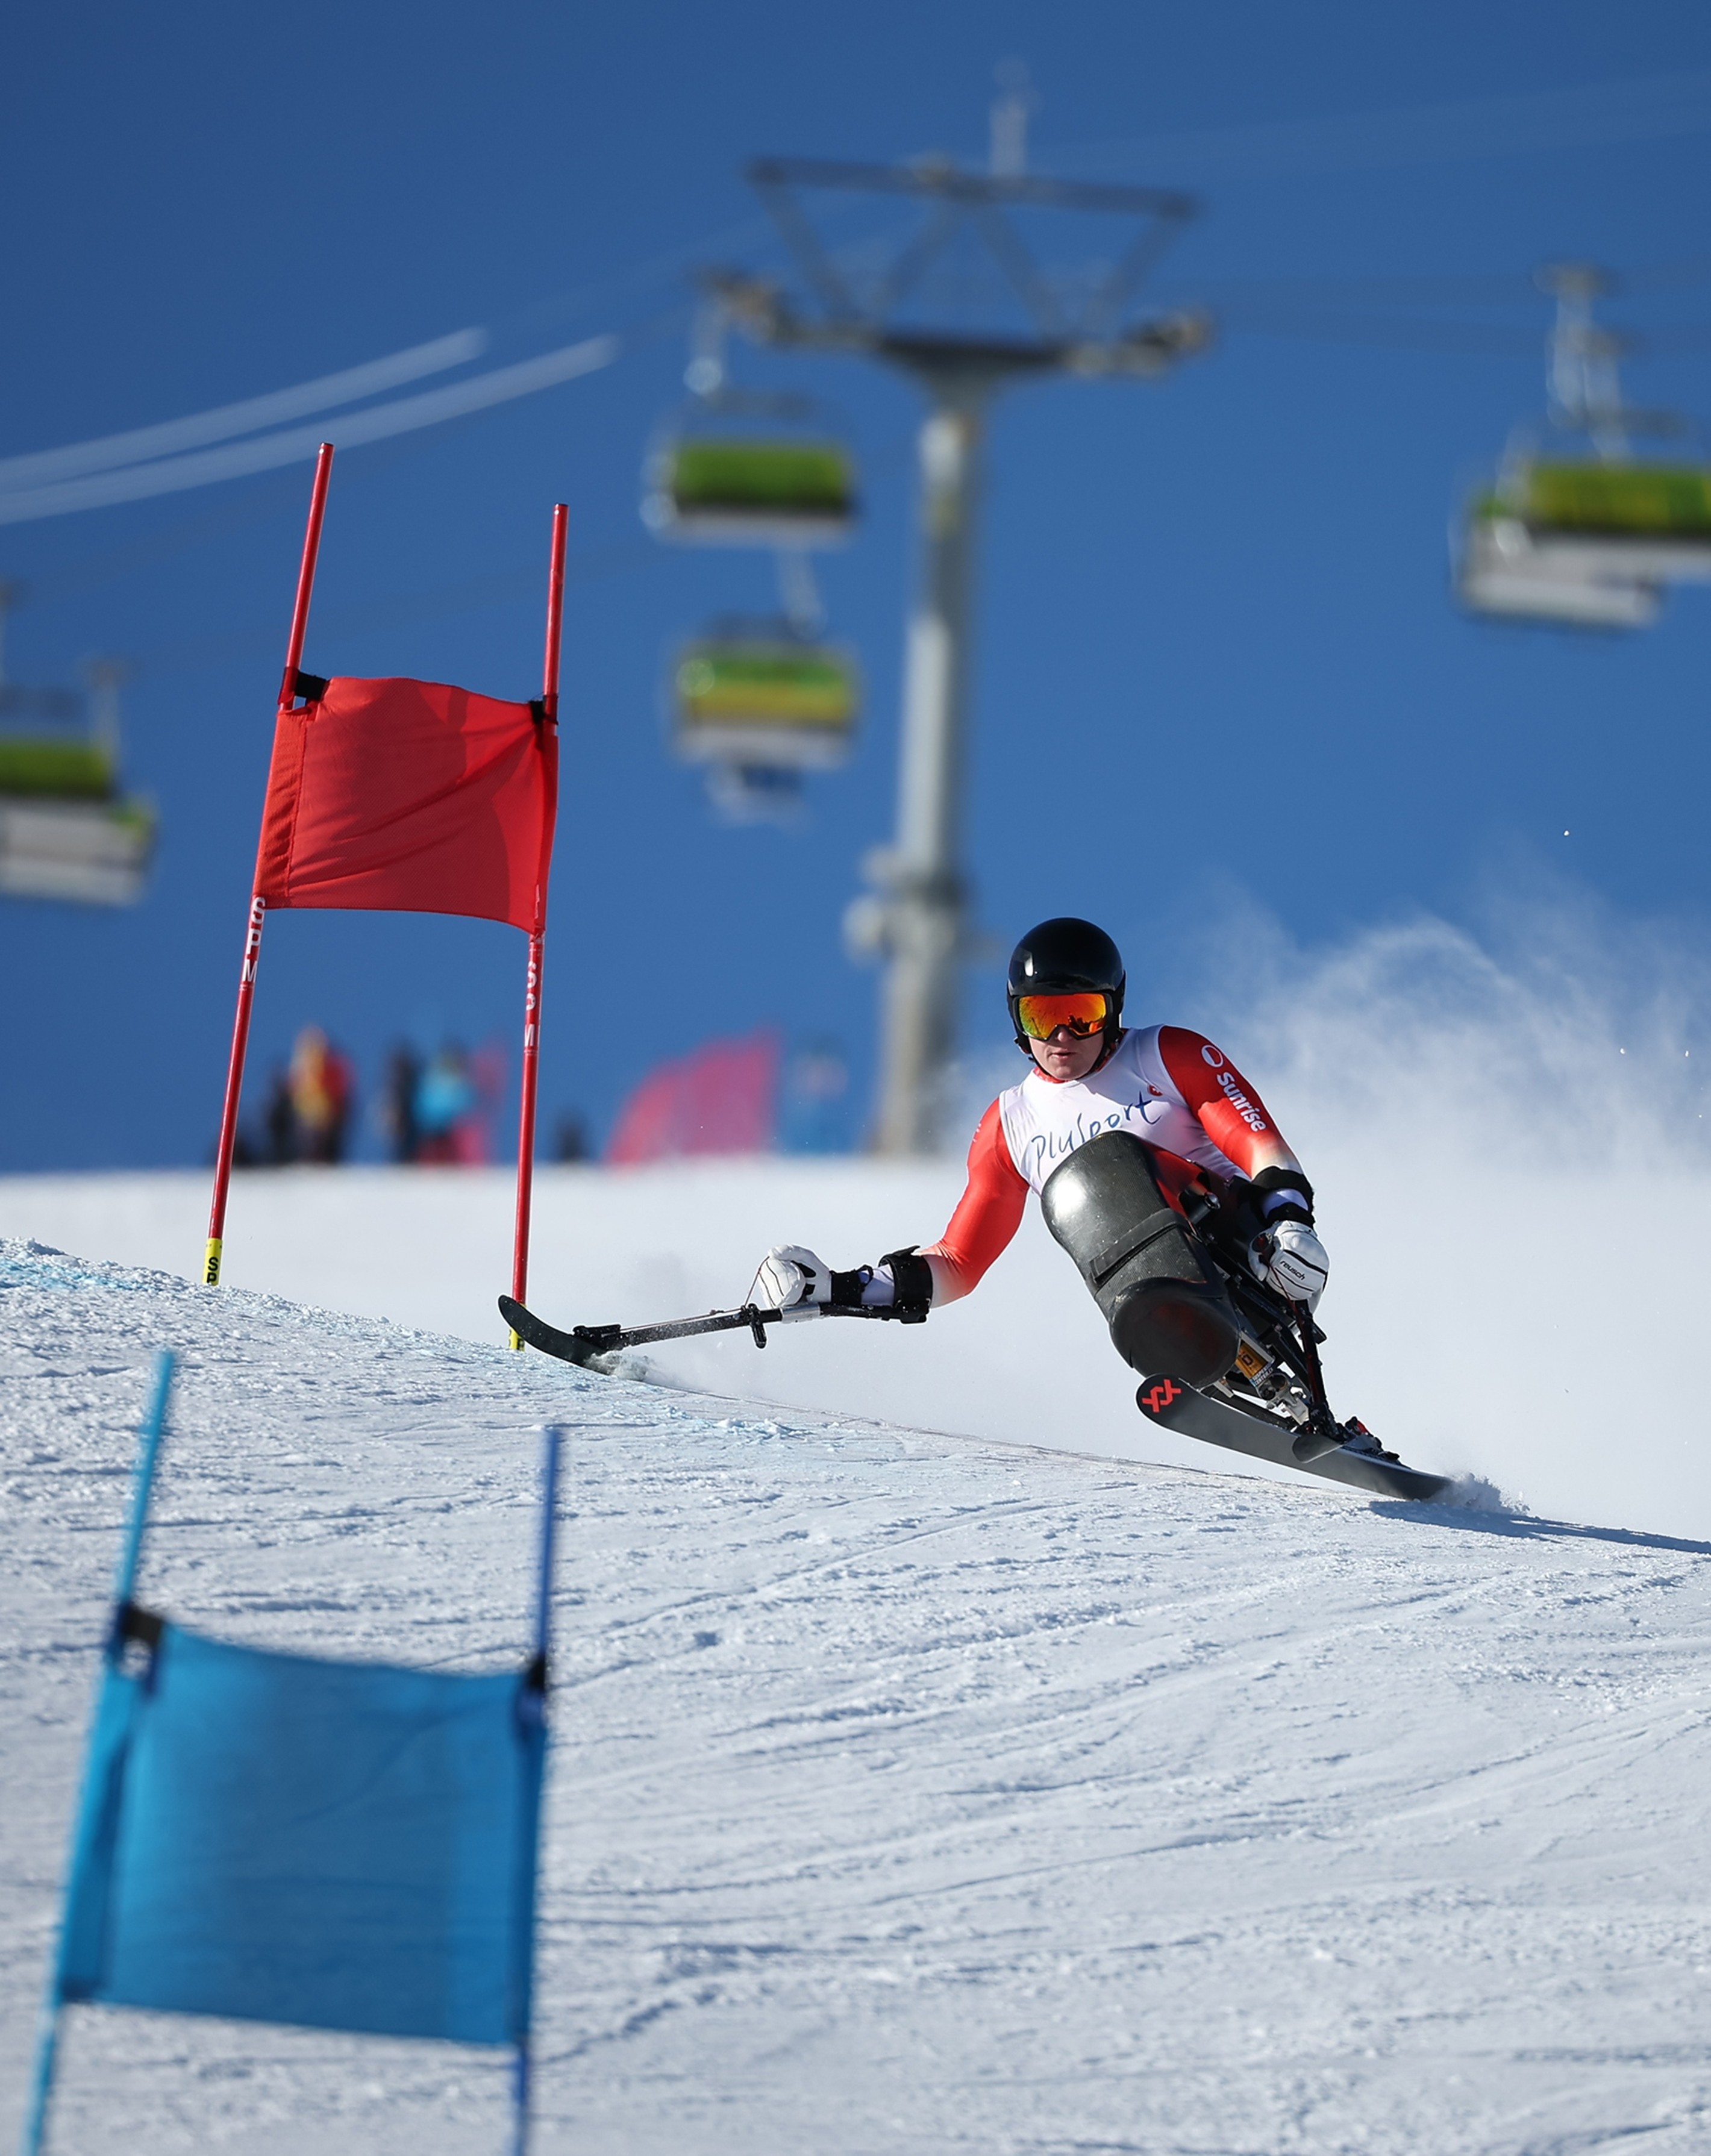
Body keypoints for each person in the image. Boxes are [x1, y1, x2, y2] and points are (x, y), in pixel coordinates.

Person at [754, 916, 1328, 1333]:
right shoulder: (1012, 1124)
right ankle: (1179, 1334)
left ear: (1113, 1009)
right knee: (1081, 1186)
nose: (1060, 1036)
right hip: (1143, 1293)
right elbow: (959, 1261)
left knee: (1112, 1158)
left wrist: (1289, 1223)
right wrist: (838, 1288)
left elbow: (1258, 1144)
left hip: (1255, 1253)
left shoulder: (1166, 1053)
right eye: (1041, 1015)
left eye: (1082, 1015)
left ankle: (1219, 1317)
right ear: (1018, 1020)